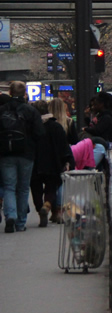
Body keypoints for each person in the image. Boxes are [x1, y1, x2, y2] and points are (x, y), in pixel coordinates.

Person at [1, 82, 46, 233]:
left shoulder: (2, 110)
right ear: (25, 93)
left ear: (10, 92)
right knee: (23, 188)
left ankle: (10, 216)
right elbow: (40, 133)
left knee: (9, 186)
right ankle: (20, 223)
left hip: (6, 153)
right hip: (26, 153)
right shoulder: (31, 111)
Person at [30, 100, 72, 228]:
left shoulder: (31, 126)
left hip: (35, 163)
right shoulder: (56, 126)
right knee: (51, 187)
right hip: (53, 162)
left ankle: (39, 208)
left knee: (36, 187)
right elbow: (63, 147)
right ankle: (47, 205)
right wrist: (66, 160)